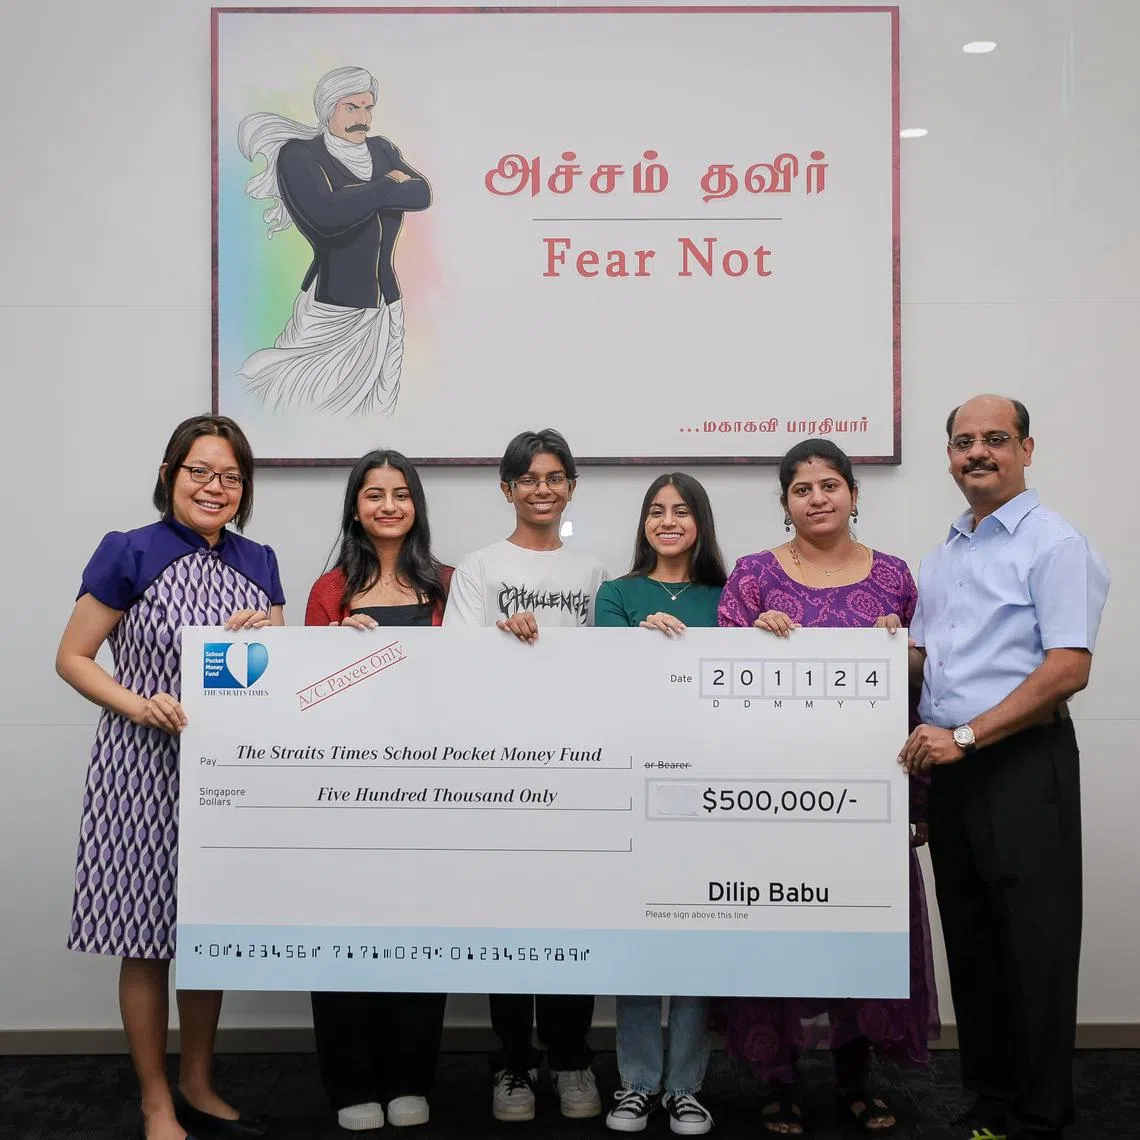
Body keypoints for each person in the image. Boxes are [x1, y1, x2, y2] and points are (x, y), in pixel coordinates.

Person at [57, 416, 284, 1140]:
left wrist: (270, 634)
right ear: (169, 474)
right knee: (146, 937)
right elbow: (74, 657)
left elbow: (277, 676)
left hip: (227, 771)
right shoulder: (129, 551)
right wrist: (140, 704)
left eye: (229, 476)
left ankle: (198, 1081)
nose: (214, 488)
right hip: (141, 767)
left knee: (208, 929)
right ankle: (156, 1098)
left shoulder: (260, 559)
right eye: (199, 471)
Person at [715, 438, 940, 1137]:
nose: (818, 498)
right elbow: (714, 686)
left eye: (830, 485)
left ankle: (854, 1080)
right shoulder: (754, 577)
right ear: (784, 502)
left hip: (866, 804)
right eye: (802, 488)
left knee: (858, 935)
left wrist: (896, 650)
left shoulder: (896, 577)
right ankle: (777, 1085)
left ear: (853, 492)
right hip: (770, 802)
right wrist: (753, 640)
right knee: (777, 935)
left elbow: (928, 685)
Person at [899, 396, 1109, 1140]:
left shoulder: (1054, 543)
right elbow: (923, 659)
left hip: (1021, 759)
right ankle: (989, 1099)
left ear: (1026, 447)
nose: (977, 452)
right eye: (963, 442)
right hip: (955, 767)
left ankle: (1039, 1114)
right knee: (975, 936)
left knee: (1036, 943)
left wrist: (966, 733)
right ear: (950, 457)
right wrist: (853, 653)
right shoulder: (946, 551)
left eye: (994, 439)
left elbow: (1067, 668)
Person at [444, 428, 608, 1122]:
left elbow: (613, 672)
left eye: (555, 476)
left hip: (578, 769)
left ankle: (571, 1059)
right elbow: (452, 663)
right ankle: (512, 1063)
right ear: (507, 489)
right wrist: (497, 641)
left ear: (571, 485)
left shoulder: (594, 573)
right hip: (501, 768)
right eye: (528, 478)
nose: (543, 488)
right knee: (508, 920)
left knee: (573, 918)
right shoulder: (478, 568)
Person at [305, 449, 452, 1131]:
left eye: (400, 493)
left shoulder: (453, 585)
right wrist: (332, 645)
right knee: (342, 936)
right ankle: (350, 1084)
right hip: (346, 792)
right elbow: (304, 697)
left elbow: (478, 685)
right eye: (374, 494)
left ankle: (409, 1077)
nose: (388, 505)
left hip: (433, 790)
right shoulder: (329, 590)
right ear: (355, 507)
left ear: (416, 504)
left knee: (420, 935)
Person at [595, 474, 727, 1136]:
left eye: (681, 511)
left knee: (696, 940)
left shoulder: (730, 595)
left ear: (700, 521)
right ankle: (637, 1083)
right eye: (656, 511)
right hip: (635, 787)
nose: (668, 520)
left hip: (712, 791)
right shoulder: (617, 595)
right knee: (641, 939)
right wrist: (639, 638)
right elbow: (609, 686)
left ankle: (685, 1087)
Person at [238, 66, 432, 416]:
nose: (364, 118)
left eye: (368, 108)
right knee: (306, 405)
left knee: (379, 410)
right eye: (351, 108)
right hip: (331, 307)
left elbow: (420, 194)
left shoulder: (381, 149)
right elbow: (327, 217)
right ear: (327, 108)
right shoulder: (300, 156)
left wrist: (352, 196)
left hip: (387, 305)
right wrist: (389, 184)